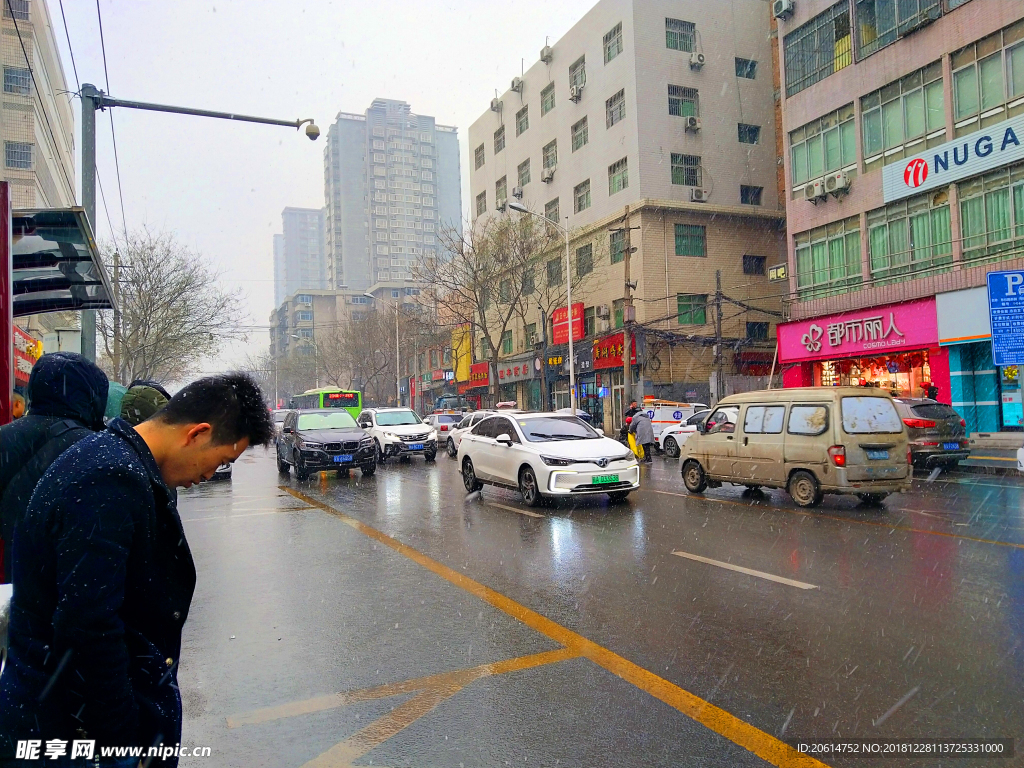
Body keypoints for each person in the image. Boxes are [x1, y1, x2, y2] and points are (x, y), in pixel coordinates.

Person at [0, 372, 275, 763]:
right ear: (197, 434)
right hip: (69, 734)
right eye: (222, 460)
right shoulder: (108, 478)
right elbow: (88, 627)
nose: (210, 475)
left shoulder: (112, 460)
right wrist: (123, 741)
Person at [0, 352, 109, 584]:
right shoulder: (92, 448)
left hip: (8, 579)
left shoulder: (5, 437)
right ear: (93, 396)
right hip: (65, 582)